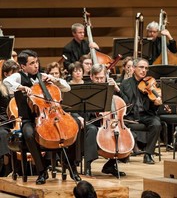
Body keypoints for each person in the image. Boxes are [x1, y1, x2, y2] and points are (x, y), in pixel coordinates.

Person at [3, 49, 81, 184]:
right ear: (23, 66)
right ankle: (42, 171)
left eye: (36, 62)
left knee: (74, 127)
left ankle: (72, 168)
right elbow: (6, 82)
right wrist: (21, 87)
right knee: (28, 134)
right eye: (32, 63)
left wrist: (55, 80)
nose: (36, 65)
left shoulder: (43, 76)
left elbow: (67, 87)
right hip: (30, 119)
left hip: (50, 116)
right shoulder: (18, 76)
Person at [84, 63, 125, 177]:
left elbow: (125, 104)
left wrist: (117, 89)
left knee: (128, 137)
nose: (99, 80)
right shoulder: (87, 89)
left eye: (102, 78)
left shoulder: (111, 88)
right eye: (97, 78)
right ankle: (88, 165)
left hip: (109, 123)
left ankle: (110, 165)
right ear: (91, 76)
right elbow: (82, 109)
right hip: (92, 121)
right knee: (92, 130)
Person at [119, 58, 162, 164]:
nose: (144, 70)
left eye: (146, 68)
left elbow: (153, 108)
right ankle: (123, 154)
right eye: (141, 67)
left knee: (156, 124)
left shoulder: (150, 83)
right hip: (130, 115)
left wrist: (156, 103)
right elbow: (124, 103)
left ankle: (148, 154)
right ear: (133, 68)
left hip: (145, 115)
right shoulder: (125, 84)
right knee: (119, 124)